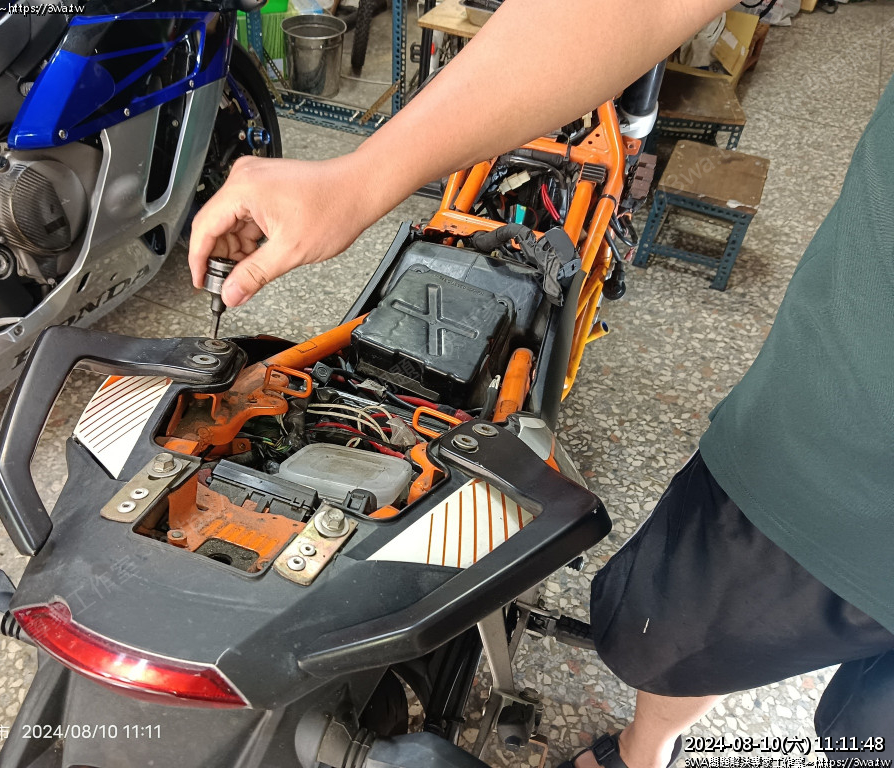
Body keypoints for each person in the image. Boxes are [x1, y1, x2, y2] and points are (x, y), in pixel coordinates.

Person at [187, 0, 894, 765]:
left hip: (829, 471)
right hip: (829, 460)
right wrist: (360, 177)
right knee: (674, 641)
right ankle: (644, 748)